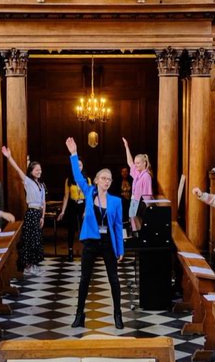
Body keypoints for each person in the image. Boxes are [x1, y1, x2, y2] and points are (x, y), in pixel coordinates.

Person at [66, 136, 125, 330]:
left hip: (108, 242)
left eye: (109, 179)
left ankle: (118, 314)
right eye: (104, 178)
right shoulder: (89, 191)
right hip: (91, 242)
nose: (107, 181)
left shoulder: (116, 201)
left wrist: (120, 249)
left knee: (114, 280)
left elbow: (117, 227)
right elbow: (77, 176)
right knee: (84, 280)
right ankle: (79, 314)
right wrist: (74, 154)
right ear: (97, 180)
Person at [2, 145, 47, 276]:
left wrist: (43, 217)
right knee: (29, 239)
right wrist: (10, 157)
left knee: (37, 240)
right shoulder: (28, 181)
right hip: (31, 212)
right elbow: (17, 169)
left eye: (40, 169)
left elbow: (43, 202)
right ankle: (28, 266)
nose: (39, 171)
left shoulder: (42, 185)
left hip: (38, 213)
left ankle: (34, 264)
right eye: (36, 169)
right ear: (31, 171)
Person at [122, 137, 154, 227]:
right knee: (133, 226)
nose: (135, 165)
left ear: (144, 163)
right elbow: (130, 162)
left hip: (140, 205)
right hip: (134, 202)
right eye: (136, 163)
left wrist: (146, 212)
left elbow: (147, 196)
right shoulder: (137, 173)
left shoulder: (146, 176)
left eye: (138, 163)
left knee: (139, 227)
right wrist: (126, 147)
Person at [60, 165, 89, 260]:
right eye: (77, 165)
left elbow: (89, 196)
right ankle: (70, 251)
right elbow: (66, 196)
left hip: (83, 204)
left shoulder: (87, 179)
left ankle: (86, 251)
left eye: (80, 165)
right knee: (71, 228)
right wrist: (63, 211)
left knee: (85, 229)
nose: (78, 167)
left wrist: (86, 210)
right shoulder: (69, 180)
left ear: (82, 166)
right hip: (73, 204)